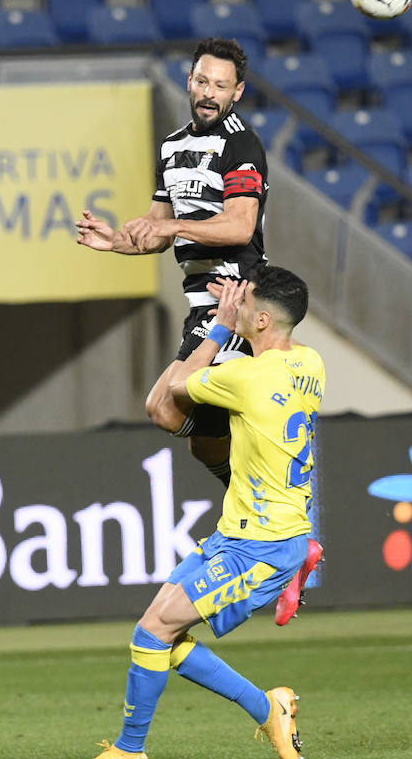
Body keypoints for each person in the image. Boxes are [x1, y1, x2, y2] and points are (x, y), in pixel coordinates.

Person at [71, 265, 325, 759]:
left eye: (242, 300)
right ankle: (265, 707)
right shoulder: (310, 362)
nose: (233, 304)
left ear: (257, 317)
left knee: (153, 631)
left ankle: (128, 754)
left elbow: (171, 390)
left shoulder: (248, 377)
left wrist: (217, 328)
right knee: (157, 634)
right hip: (244, 531)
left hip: (263, 545)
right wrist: (243, 322)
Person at [76, 36, 269, 488]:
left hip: (235, 299)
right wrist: (118, 241)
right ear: (189, 81)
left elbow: (240, 226)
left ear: (236, 93)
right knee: (201, 441)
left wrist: (172, 228)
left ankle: (266, 491)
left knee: (164, 408)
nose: (209, 93)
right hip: (199, 304)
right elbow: (157, 228)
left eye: (220, 86)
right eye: (202, 81)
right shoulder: (172, 146)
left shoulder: (242, 146)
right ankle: (256, 496)